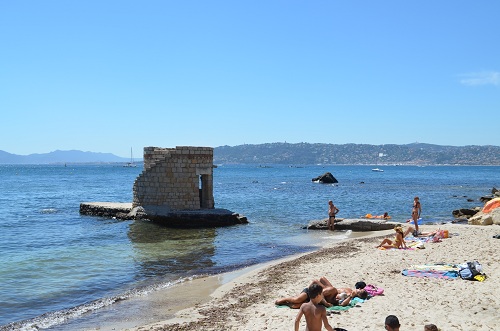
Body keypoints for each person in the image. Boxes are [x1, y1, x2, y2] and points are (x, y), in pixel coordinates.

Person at [275, 277, 367, 308]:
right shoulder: (336, 290)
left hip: (319, 298)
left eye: (359, 291)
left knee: (296, 306)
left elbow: (342, 305)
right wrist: (325, 303)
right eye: (359, 289)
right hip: (313, 293)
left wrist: (351, 297)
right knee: (297, 299)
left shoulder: (350, 298)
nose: (358, 289)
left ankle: (287, 304)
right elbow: (316, 282)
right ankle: (282, 300)